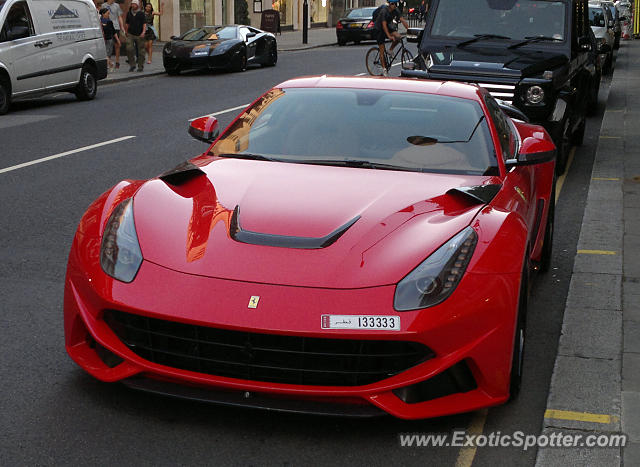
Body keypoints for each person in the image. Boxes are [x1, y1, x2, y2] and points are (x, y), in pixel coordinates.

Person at [374, 0, 409, 76]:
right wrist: (389, 36)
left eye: (396, 4)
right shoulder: (384, 11)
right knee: (382, 50)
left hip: (388, 26)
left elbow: (402, 20)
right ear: (389, 4)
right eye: (393, 4)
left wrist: (409, 30)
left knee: (398, 37)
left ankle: (390, 50)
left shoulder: (396, 10)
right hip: (379, 29)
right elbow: (384, 25)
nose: (395, 6)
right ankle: (384, 69)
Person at [101, 0, 124, 69]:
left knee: (117, 45)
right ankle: (108, 61)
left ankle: (117, 62)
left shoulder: (116, 5)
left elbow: (119, 16)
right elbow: (101, 16)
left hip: (115, 26)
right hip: (107, 27)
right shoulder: (103, 5)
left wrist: (122, 26)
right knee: (108, 45)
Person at [125, 0, 147, 71]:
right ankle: (132, 64)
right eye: (132, 4)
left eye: (134, 4)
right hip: (130, 33)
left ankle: (140, 66)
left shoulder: (141, 13)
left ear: (137, 5)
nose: (133, 5)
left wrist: (143, 32)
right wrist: (126, 31)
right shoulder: (129, 13)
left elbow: (144, 23)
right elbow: (127, 23)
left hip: (139, 34)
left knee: (141, 51)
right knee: (129, 48)